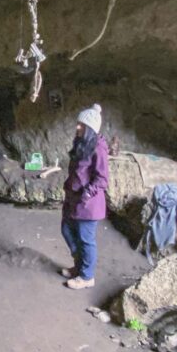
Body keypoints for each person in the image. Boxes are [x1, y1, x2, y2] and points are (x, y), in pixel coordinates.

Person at [60, 104, 109, 289]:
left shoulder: (98, 148)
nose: (77, 127)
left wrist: (86, 194)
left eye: (81, 125)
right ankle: (79, 267)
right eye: (78, 123)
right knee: (66, 230)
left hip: (88, 204)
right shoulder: (82, 143)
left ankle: (87, 277)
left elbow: (102, 179)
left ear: (90, 128)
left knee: (86, 240)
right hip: (74, 199)